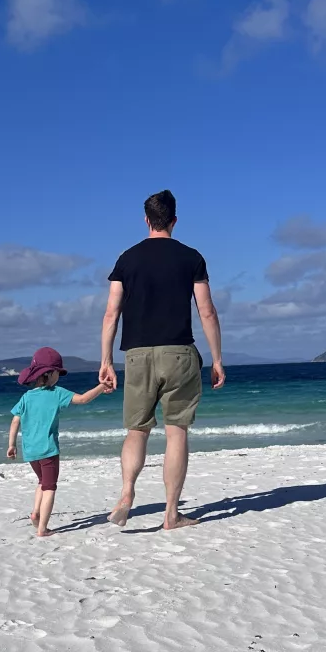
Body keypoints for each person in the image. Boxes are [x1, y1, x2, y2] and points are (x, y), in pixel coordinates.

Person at [100, 189, 225, 530]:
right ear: (174, 220)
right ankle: (171, 513)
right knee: (176, 432)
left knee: (136, 430)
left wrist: (106, 360)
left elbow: (111, 313)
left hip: (137, 355)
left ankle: (127, 492)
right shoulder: (191, 257)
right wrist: (217, 359)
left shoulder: (127, 259)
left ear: (146, 220)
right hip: (179, 352)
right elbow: (207, 311)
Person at [7, 347, 111, 538]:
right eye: (57, 373)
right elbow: (83, 399)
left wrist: (11, 445)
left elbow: (15, 420)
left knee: (42, 482)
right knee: (50, 487)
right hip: (48, 450)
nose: (58, 377)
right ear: (49, 373)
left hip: (30, 451)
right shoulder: (56, 393)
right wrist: (101, 386)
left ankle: (35, 512)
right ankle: (42, 528)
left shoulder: (26, 397)